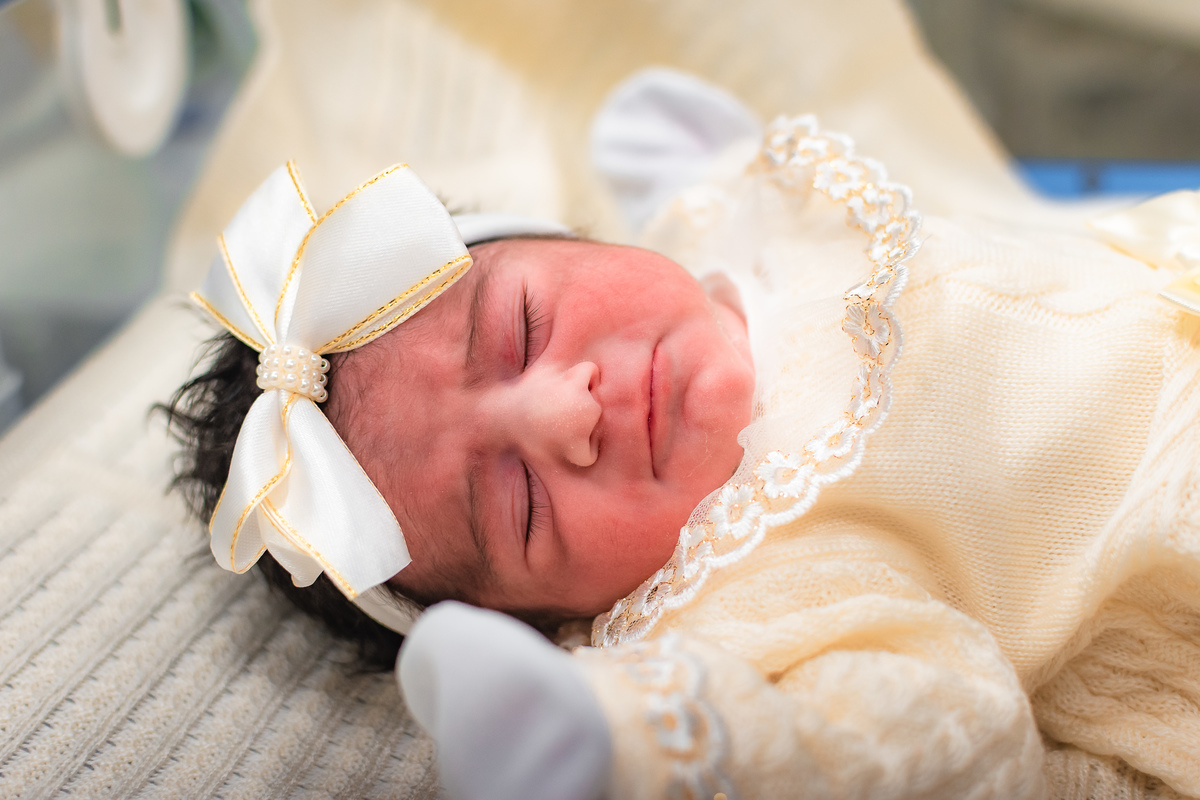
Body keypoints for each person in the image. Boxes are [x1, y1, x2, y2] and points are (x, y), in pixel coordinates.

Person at [163, 70, 1200, 799]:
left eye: (523, 325)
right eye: (521, 505)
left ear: (574, 237)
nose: (568, 412)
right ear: (565, 623)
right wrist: (641, 738)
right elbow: (932, 729)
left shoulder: (716, 241)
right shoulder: (757, 579)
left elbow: (708, 213)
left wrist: (712, 164)